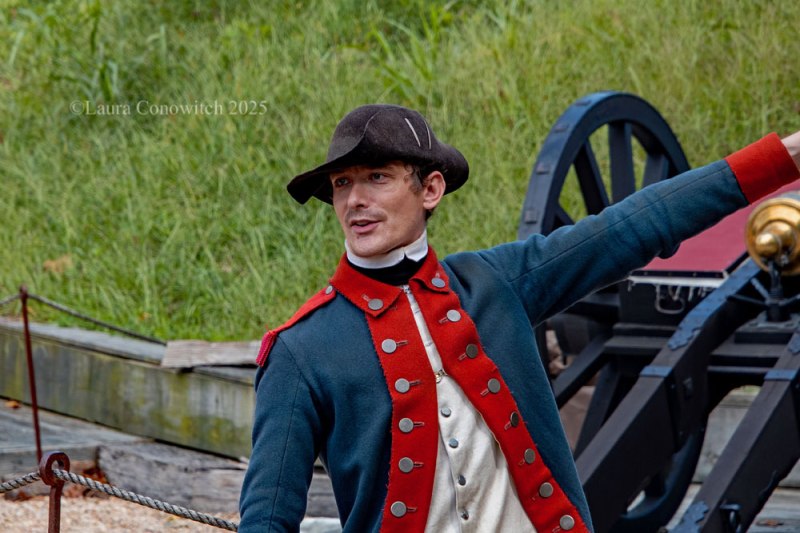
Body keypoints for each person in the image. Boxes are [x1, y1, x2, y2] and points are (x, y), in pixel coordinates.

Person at [238, 104, 800, 533]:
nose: (356, 199)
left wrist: (785, 159)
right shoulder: (300, 349)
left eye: (378, 177)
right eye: (342, 184)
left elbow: (636, 225)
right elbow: (266, 518)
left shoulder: (496, 283)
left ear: (430, 188)